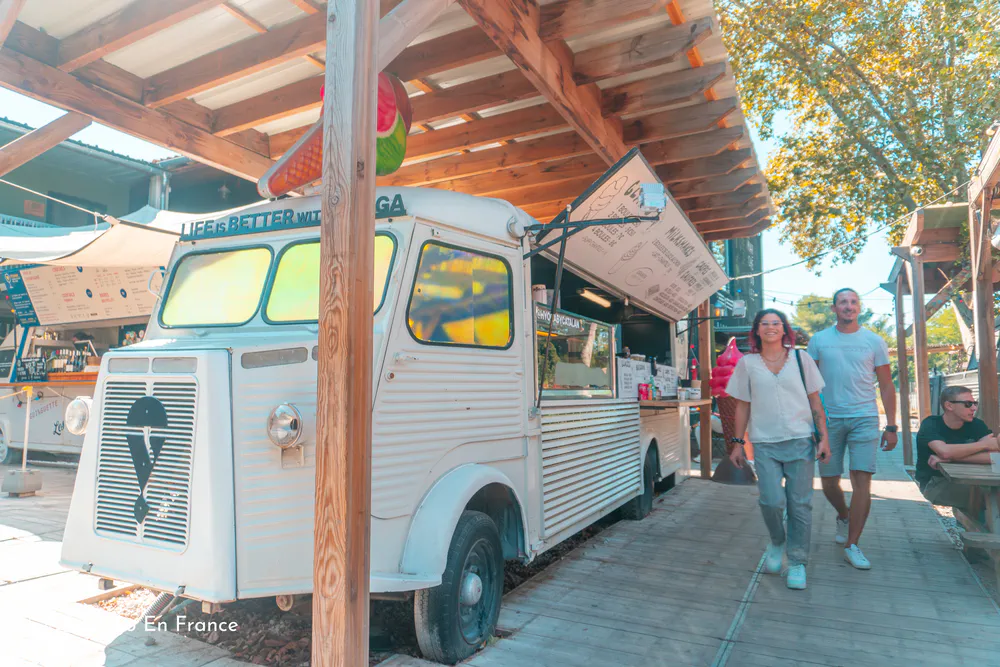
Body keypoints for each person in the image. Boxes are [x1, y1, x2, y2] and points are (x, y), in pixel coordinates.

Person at [726, 309, 830, 590]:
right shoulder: (747, 363)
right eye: (765, 323)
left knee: (800, 504)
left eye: (776, 323)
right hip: (763, 442)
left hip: (800, 440)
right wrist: (737, 443)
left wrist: (824, 438)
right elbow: (742, 405)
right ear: (757, 331)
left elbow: (815, 402)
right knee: (771, 501)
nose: (771, 327)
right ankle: (777, 541)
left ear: (784, 330)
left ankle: (797, 562)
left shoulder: (801, 358)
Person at [806, 287, 897, 571]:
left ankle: (852, 544)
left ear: (859, 308)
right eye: (843, 302)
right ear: (834, 309)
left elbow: (885, 384)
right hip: (828, 420)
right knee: (829, 481)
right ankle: (843, 515)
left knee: (862, 481)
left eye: (853, 302)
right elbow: (809, 386)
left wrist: (892, 425)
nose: (849, 306)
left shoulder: (874, 341)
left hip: (864, 417)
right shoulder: (819, 340)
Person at [916, 386, 998, 512]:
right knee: (990, 498)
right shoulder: (931, 424)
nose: (974, 408)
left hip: (972, 482)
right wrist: (983, 445)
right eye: (968, 404)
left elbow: (995, 457)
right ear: (949, 406)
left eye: (974, 403)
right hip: (936, 484)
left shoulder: (977, 424)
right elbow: (944, 451)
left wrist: (950, 459)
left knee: (989, 496)